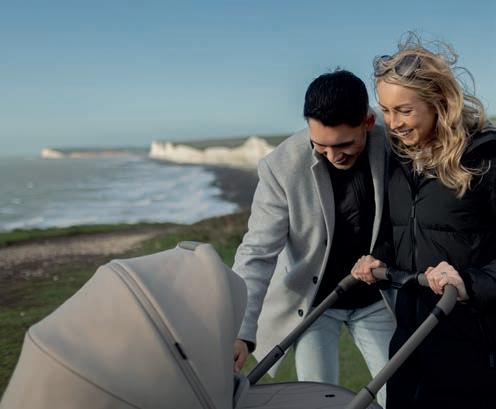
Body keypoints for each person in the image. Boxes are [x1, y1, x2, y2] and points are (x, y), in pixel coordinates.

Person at [232, 69, 395, 407]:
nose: (333, 156)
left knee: (400, 393)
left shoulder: (394, 140)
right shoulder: (279, 166)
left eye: (344, 145)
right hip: (312, 302)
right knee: (319, 399)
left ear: (367, 121)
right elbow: (257, 253)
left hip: (376, 297)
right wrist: (240, 331)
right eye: (321, 146)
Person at [352, 36, 496, 409]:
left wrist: (469, 283)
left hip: (475, 346)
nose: (393, 123)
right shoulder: (400, 161)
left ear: (439, 101)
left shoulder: (486, 157)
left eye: (404, 110)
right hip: (410, 341)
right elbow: (401, 233)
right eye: (386, 110)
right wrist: (378, 257)